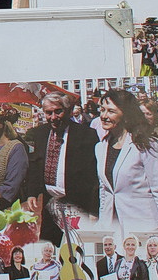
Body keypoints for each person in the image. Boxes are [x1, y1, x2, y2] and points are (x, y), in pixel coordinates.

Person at [22, 91, 100, 246]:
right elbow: (35, 165)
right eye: (48, 113)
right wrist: (32, 193)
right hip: (50, 205)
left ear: (68, 111)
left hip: (78, 205)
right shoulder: (40, 133)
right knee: (50, 247)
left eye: (58, 112)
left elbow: (93, 177)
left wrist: (94, 210)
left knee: (79, 248)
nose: (53, 117)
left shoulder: (86, 135)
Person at [96, 89, 158, 232]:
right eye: (102, 110)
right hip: (113, 229)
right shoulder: (100, 147)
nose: (104, 116)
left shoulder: (147, 144)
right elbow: (104, 190)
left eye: (111, 111)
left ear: (125, 115)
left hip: (144, 227)